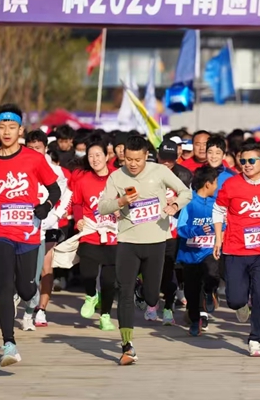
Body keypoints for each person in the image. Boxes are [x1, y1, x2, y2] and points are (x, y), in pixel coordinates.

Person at [0, 104, 61, 366]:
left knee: (25, 290)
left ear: (21, 130)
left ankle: (30, 293)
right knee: (5, 284)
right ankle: (8, 343)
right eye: (2, 127)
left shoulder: (34, 159)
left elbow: (55, 191)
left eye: (12, 127)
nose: (6, 132)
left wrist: (45, 207)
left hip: (28, 232)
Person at [98, 135, 192, 365]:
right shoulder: (116, 177)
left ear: (146, 156)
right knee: (124, 292)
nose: (132, 164)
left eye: (137, 159)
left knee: (152, 296)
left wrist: (174, 205)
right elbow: (102, 206)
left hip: (156, 241)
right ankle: (127, 346)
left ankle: (144, 291)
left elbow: (186, 192)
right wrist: (120, 202)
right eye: (128, 159)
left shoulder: (159, 171)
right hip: (128, 241)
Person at [212, 142, 260, 357]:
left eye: (251, 161)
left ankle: (255, 339)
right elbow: (218, 211)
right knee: (236, 298)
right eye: (243, 161)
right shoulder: (231, 184)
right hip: (235, 250)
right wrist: (218, 239)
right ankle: (241, 306)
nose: (247, 165)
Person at [25, 130, 73, 329]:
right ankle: (29, 300)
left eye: (38, 148)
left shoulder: (57, 170)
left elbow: (67, 193)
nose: (35, 151)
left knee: (46, 266)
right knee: (28, 269)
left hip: (50, 224)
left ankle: (41, 309)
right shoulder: (22, 167)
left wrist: (54, 215)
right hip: (27, 225)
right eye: (31, 148)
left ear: (45, 148)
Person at [73, 138, 118, 331]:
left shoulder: (119, 177)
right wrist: (78, 219)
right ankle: (91, 295)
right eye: (90, 156)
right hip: (91, 231)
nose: (94, 159)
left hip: (114, 235)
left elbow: (133, 196)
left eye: (98, 155)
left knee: (109, 281)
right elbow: (76, 203)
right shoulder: (82, 180)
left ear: (107, 156)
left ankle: (105, 316)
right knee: (88, 273)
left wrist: (122, 209)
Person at [177, 166, 221, 336]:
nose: (217, 186)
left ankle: (210, 292)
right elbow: (181, 228)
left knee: (212, 273)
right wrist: (196, 231)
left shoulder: (216, 204)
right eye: (215, 182)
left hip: (209, 250)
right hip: (189, 255)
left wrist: (219, 239)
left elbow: (223, 225)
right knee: (192, 291)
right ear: (207, 184)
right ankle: (195, 321)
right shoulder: (189, 202)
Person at [153, 140, 193, 325]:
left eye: (171, 159)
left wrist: (177, 204)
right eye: (163, 158)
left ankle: (168, 307)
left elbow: (190, 200)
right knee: (153, 270)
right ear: (158, 156)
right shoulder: (148, 171)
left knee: (169, 269)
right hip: (150, 228)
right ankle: (150, 301)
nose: (166, 163)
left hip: (173, 230)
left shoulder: (185, 175)